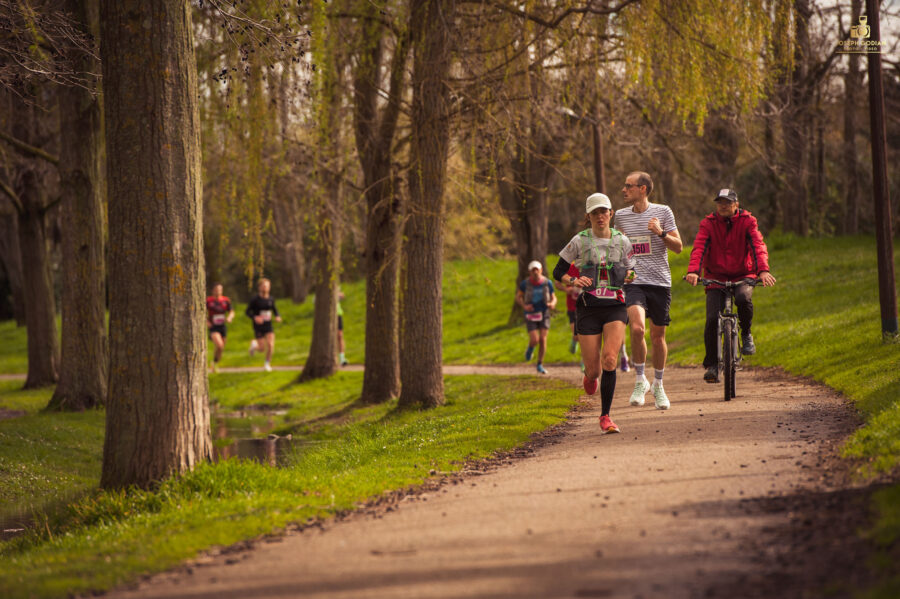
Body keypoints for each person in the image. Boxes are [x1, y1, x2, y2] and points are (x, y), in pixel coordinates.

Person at [553, 193, 636, 434]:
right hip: (588, 308)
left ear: (611, 214)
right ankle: (590, 378)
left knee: (610, 359)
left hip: (615, 306)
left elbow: (632, 269)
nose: (600, 216)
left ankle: (606, 416)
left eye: (604, 212)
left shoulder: (622, 241)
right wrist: (575, 280)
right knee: (594, 370)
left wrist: (629, 276)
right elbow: (558, 272)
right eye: (595, 213)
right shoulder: (579, 241)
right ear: (588, 217)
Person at [685, 188, 776, 382]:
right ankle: (711, 365)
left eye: (727, 202)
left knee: (743, 299)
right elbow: (699, 247)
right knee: (711, 319)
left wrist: (763, 270)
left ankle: (746, 334)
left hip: (743, 274)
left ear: (736, 204)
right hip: (715, 276)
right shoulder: (708, 224)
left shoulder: (748, 222)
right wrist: (693, 271)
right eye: (720, 202)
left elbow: (758, 246)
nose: (723, 206)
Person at [614, 171, 683, 410]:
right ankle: (639, 380)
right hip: (633, 281)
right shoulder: (621, 217)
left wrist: (661, 233)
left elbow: (679, 248)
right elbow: (617, 247)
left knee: (657, 337)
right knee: (636, 328)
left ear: (643, 189)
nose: (624, 190)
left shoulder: (663, 212)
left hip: (660, 282)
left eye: (629, 186)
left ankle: (659, 384)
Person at [516, 260, 558, 374]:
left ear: (541, 270)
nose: (535, 272)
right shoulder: (525, 284)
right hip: (531, 314)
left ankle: (540, 363)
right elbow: (518, 297)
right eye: (533, 270)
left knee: (543, 339)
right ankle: (530, 349)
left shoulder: (547, 283)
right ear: (530, 272)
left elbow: (554, 297)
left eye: (537, 269)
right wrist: (524, 306)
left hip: (544, 313)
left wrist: (552, 304)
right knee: (535, 339)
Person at [246, 277, 283, 372]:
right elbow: (247, 312)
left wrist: (277, 316)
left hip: (268, 325)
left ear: (269, 287)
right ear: (259, 287)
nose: (265, 288)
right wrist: (255, 317)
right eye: (263, 286)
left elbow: (275, 310)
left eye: (267, 286)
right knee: (262, 348)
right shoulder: (255, 300)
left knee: (270, 345)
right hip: (258, 326)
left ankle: (267, 363)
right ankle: (254, 345)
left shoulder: (271, 299)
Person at [206, 283, 235, 373]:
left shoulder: (226, 300)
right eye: (216, 289)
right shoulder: (208, 300)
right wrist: (207, 322)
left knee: (220, 348)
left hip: (222, 326)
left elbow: (231, 311)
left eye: (220, 289)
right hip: (213, 326)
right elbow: (202, 312)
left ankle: (215, 363)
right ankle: (214, 364)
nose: (218, 291)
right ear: (213, 290)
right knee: (219, 345)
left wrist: (230, 317)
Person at [337, 289, 348, 366]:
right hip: (328, 316)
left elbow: (342, 295)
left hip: (338, 314)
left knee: (340, 336)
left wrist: (339, 295)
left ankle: (342, 358)